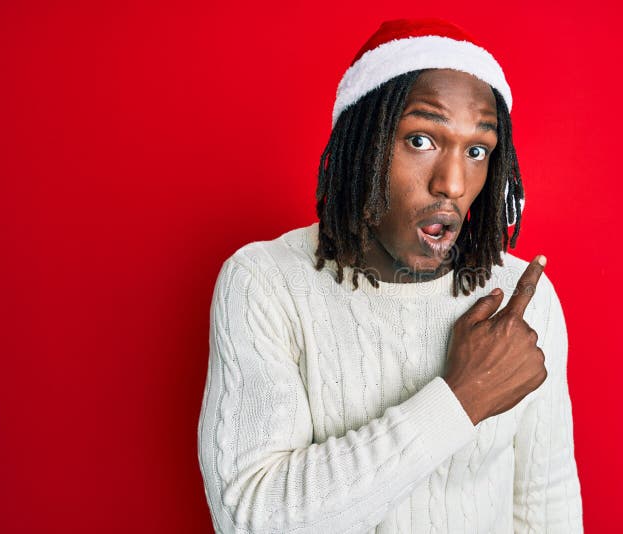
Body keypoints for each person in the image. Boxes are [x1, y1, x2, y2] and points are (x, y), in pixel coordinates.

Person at [197, 18, 583, 533]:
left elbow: (546, 505)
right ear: (362, 145)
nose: (452, 182)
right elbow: (251, 518)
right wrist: (462, 396)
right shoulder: (265, 283)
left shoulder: (519, 298)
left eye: (476, 151)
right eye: (421, 140)